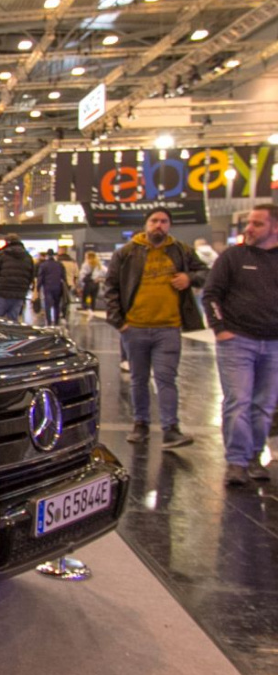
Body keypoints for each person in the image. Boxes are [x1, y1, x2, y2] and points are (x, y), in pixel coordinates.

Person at [104, 206, 208, 449]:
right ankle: (140, 424)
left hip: (168, 328)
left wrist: (189, 278)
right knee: (138, 379)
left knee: (166, 379)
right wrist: (119, 322)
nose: (158, 225)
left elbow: (205, 271)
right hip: (134, 328)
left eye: (163, 221)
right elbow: (111, 287)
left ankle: (171, 429)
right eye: (154, 221)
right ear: (146, 224)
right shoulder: (127, 252)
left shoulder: (181, 250)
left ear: (169, 225)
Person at [201, 204, 278, 486]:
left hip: (273, 345)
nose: (249, 228)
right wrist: (220, 329)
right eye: (249, 223)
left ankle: (255, 457)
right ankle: (237, 461)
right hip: (237, 343)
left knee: (264, 405)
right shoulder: (233, 257)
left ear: (275, 227)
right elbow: (211, 295)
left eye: (257, 224)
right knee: (238, 402)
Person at [0, 233, 36, 322]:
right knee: (13, 322)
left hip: (1, 293)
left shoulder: (1, 255)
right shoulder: (28, 257)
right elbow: (30, 276)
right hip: (19, 294)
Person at [36, 248, 67, 325]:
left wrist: (38, 287)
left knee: (48, 305)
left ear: (47, 255)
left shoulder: (43, 265)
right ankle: (56, 321)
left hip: (47, 287)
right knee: (57, 305)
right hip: (58, 287)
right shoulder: (59, 264)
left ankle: (49, 322)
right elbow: (63, 276)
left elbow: (40, 277)